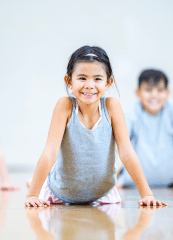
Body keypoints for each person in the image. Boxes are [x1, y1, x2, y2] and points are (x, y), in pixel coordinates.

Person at [25, 46, 167, 207]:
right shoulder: (65, 106)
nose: (89, 85)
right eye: (82, 78)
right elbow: (50, 152)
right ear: (69, 81)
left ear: (108, 83)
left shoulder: (112, 106)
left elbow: (126, 153)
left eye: (97, 79)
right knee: (47, 183)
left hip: (102, 194)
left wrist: (147, 194)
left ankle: (36, 182)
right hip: (63, 191)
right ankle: (36, 183)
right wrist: (32, 195)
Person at [117, 69, 173, 187]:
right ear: (138, 92)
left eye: (160, 90)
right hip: (131, 186)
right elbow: (119, 148)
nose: (154, 95)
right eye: (148, 90)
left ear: (168, 93)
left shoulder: (171, 112)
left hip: (168, 186)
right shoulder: (130, 113)